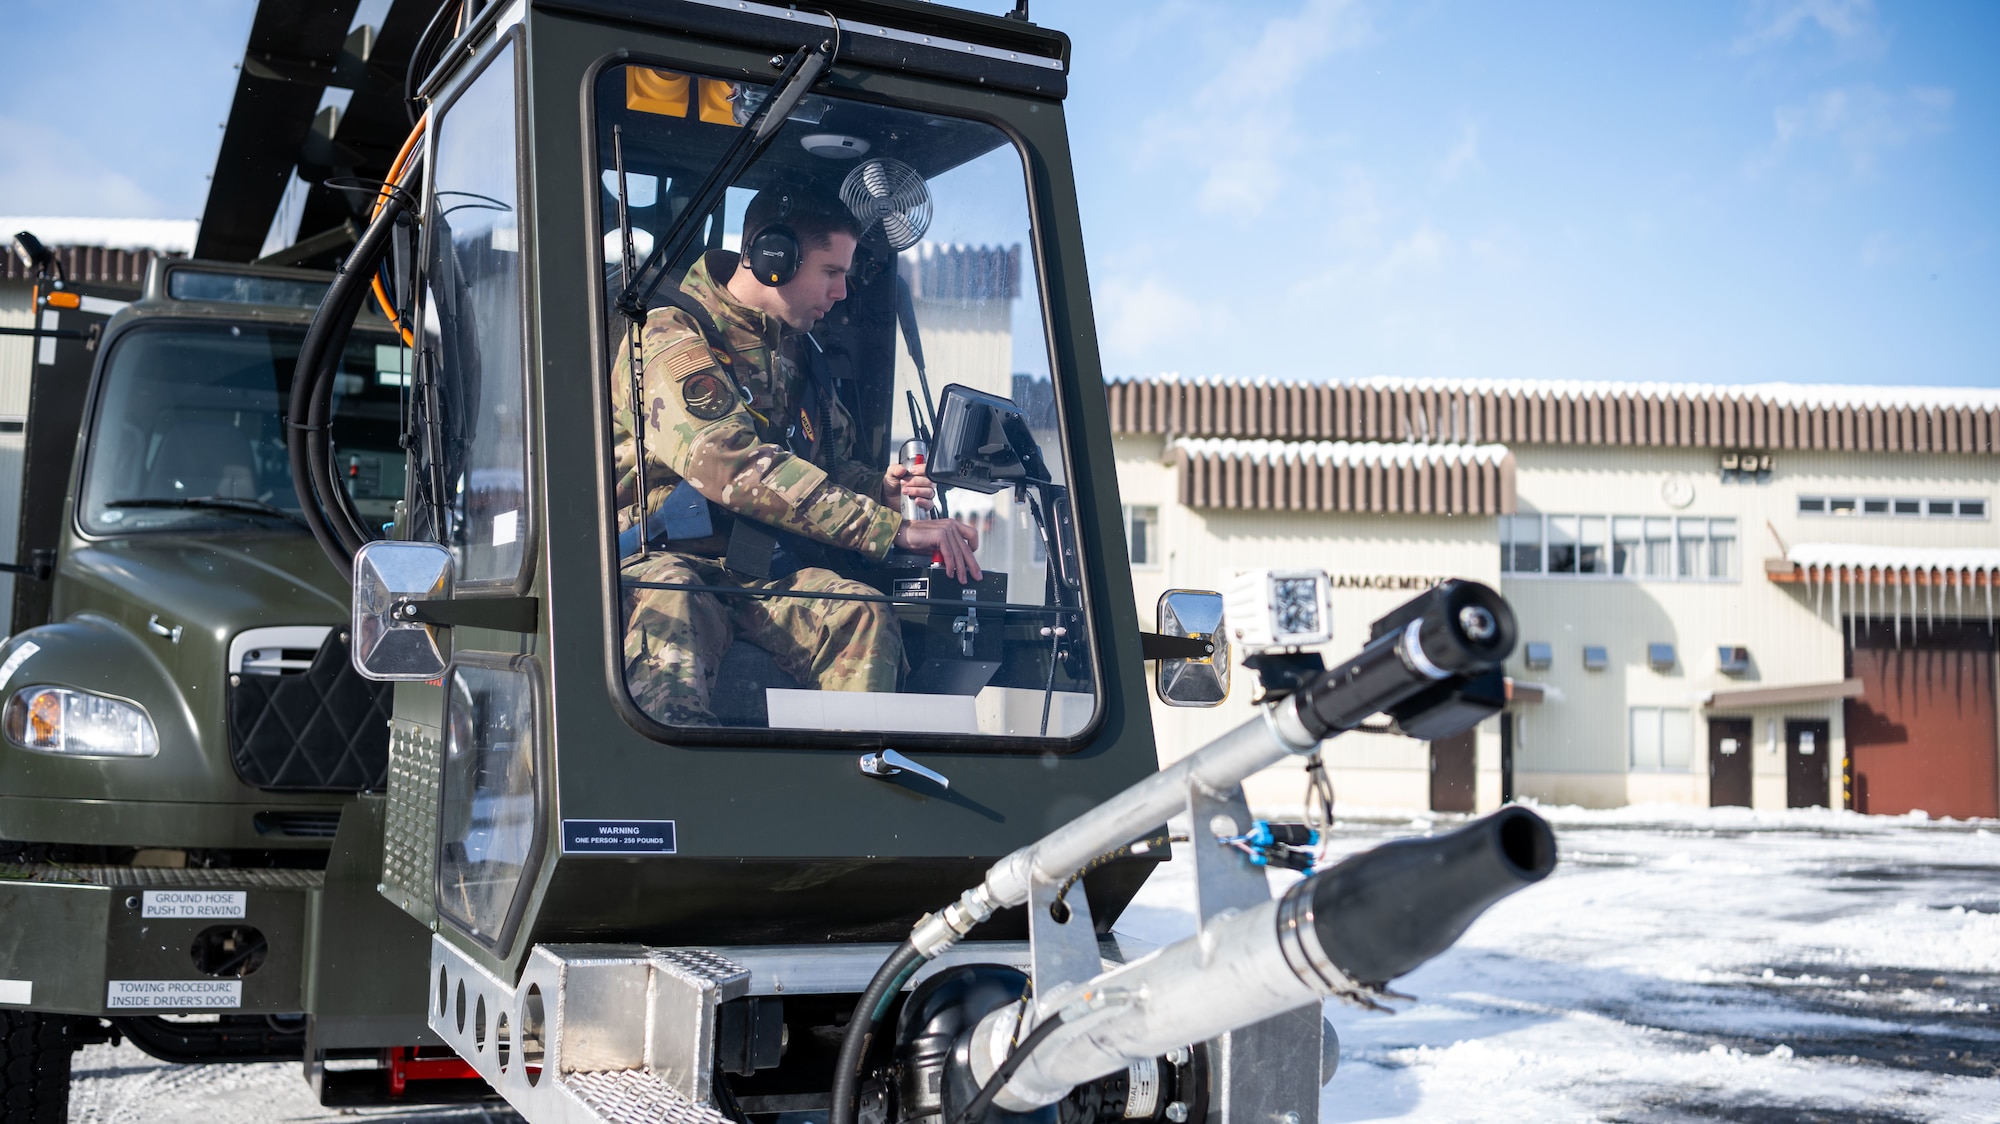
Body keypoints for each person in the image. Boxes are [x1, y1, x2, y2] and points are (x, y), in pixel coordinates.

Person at [614, 185, 979, 726]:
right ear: (773, 258)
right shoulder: (670, 333)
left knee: (861, 613)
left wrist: (880, 489)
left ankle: (855, 774)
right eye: (831, 271)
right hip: (667, 562)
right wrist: (889, 528)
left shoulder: (800, 355)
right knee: (674, 598)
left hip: (758, 572)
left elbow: (825, 466)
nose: (841, 292)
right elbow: (731, 462)